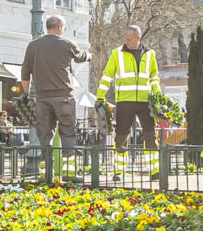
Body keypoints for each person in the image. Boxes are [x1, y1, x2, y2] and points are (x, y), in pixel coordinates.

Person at [19, 15, 87, 157]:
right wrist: (90, 55)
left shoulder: (33, 46)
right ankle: (68, 163)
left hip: (42, 97)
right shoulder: (67, 43)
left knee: (44, 132)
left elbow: (25, 72)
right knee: (68, 131)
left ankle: (47, 164)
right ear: (60, 28)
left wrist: (26, 93)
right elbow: (80, 57)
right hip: (64, 96)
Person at [98, 24, 162, 153]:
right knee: (121, 137)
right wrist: (100, 96)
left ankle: (154, 171)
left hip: (146, 101)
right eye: (125, 38)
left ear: (138, 38)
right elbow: (107, 76)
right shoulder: (117, 53)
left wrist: (158, 98)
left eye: (129, 39)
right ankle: (119, 172)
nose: (125, 41)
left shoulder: (150, 54)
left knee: (151, 136)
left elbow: (154, 78)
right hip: (125, 101)